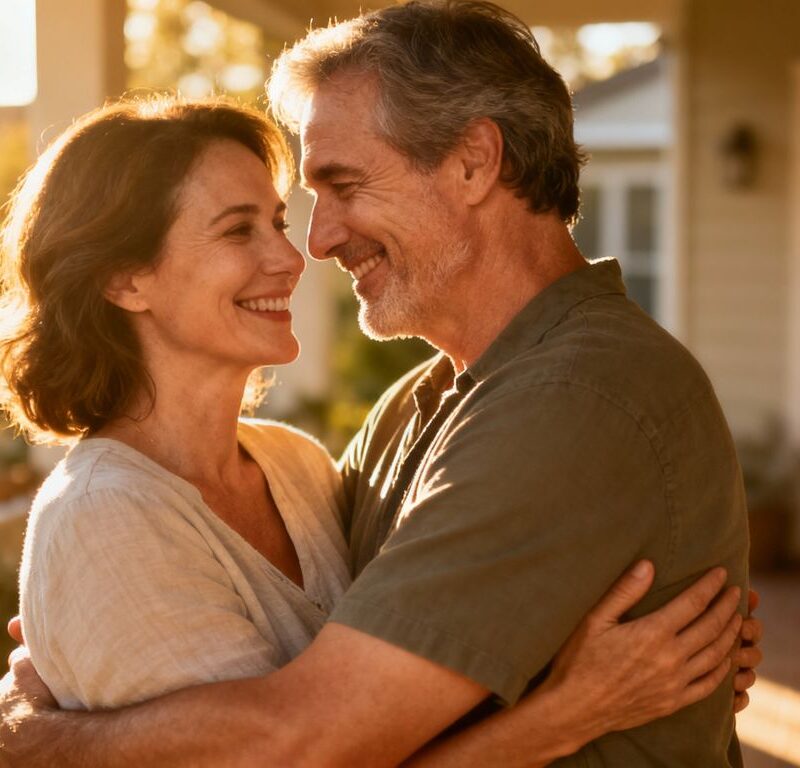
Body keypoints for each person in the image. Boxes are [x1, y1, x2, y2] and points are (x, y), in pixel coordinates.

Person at [0, 1, 760, 766]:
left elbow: (311, 738)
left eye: (345, 185)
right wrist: (562, 711)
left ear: (473, 162)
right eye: (244, 227)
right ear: (124, 280)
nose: (315, 243)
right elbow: (329, 711)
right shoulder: (416, 409)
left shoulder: (576, 398)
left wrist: (41, 739)